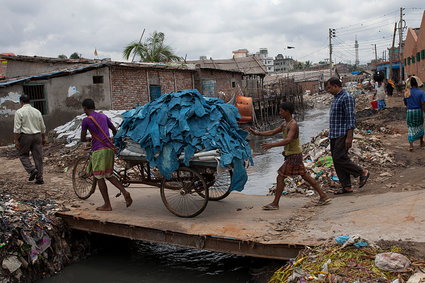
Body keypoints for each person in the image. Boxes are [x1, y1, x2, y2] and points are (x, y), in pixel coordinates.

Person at [249, 102, 330, 210]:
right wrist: (258, 133)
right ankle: (323, 196)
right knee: (305, 176)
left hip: (294, 156)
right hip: (293, 155)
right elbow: (273, 132)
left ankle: (275, 203)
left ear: (287, 112)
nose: (279, 113)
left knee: (281, 176)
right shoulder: (285, 124)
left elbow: (288, 140)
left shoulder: (293, 124)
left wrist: (272, 145)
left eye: (281, 111)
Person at [80, 98, 132, 211]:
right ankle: (124, 192)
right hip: (109, 149)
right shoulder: (104, 116)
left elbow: (82, 138)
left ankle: (107, 205)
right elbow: (114, 130)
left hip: (99, 151)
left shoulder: (86, 120)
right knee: (109, 175)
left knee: (99, 177)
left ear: (85, 108)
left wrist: (90, 138)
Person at [326, 77, 370, 194]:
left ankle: (362, 172)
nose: (328, 90)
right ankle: (346, 186)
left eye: (329, 87)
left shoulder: (347, 97)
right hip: (334, 134)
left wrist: (349, 137)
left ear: (336, 86)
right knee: (337, 160)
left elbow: (351, 118)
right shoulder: (336, 98)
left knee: (339, 157)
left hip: (342, 133)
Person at [13, 95, 47, 184]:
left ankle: (32, 170)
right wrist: (43, 137)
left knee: (23, 155)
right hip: (37, 135)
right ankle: (39, 178)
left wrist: (16, 140)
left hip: (26, 136)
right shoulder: (37, 111)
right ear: (29, 101)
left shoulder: (19, 112)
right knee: (38, 157)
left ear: (21, 102)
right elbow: (42, 126)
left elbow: (17, 128)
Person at [403, 76, 425, 151]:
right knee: (420, 126)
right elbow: (423, 104)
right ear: (417, 83)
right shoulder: (421, 92)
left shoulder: (407, 92)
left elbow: (405, 103)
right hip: (418, 111)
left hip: (410, 112)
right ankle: (421, 142)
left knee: (411, 128)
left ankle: (411, 145)